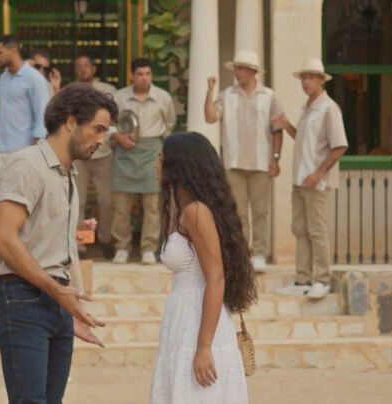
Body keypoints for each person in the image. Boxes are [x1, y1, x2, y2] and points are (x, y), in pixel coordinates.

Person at [0, 83, 118, 403]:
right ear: (71, 121)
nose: (102, 140)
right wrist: (56, 291)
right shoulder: (26, 164)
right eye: (98, 129)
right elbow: (4, 240)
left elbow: (49, 245)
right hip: (21, 296)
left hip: (55, 302)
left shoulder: (67, 174)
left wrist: (70, 308)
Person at [150, 132, 255, 403]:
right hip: (184, 318)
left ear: (180, 166)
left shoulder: (196, 212)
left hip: (199, 320)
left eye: (161, 158)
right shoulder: (183, 210)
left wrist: (204, 346)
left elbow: (216, 277)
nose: (155, 164)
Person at [273, 59, 348, 299]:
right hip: (300, 180)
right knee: (300, 229)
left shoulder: (329, 108)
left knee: (316, 230)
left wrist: (318, 174)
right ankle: (303, 279)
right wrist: (287, 126)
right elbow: (305, 141)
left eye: (311, 77)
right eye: (304, 77)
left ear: (321, 80)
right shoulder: (306, 108)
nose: (306, 82)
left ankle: (322, 279)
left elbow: (339, 146)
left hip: (317, 182)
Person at [204, 50, 284, 272]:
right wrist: (209, 92)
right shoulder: (226, 95)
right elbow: (210, 117)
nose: (237, 72)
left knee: (260, 211)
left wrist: (275, 158)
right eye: (236, 68)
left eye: (240, 68)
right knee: (236, 212)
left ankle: (259, 253)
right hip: (234, 162)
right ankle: (242, 254)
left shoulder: (269, 96)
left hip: (261, 162)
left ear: (252, 71)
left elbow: (277, 130)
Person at [0, 35, 50, 217]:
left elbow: (42, 116)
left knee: (19, 200)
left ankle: (18, 240)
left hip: (22, 149)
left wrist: (36, 152)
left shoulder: (35, 79)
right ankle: (1, 239)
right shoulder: (3, 79)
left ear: (13, 51)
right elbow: (1, 114)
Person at [111, 58, 176, 265]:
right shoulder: (119, 97)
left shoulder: (163, 97)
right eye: (139, 74)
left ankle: (148, 248)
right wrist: (118, 137)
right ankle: (121, 247)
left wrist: (160, 147)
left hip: (152, 151)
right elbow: (108, 123)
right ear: (132, 75)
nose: (144, 78)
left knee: (153, 205)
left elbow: (170, 123)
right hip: (125, 151)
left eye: (148, 74)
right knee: (121, 206)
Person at [74, 54, 117, 259]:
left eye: (86, 66)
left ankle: (105, 239)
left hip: (104, 153)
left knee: (107, 200)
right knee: (78, 202)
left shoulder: (108, 91)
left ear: (93, 69)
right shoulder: (71, 92)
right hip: (79, 155)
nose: (83, 70)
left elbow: (116, 120)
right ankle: (81, 245)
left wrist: (107, 137)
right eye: (79, 67)